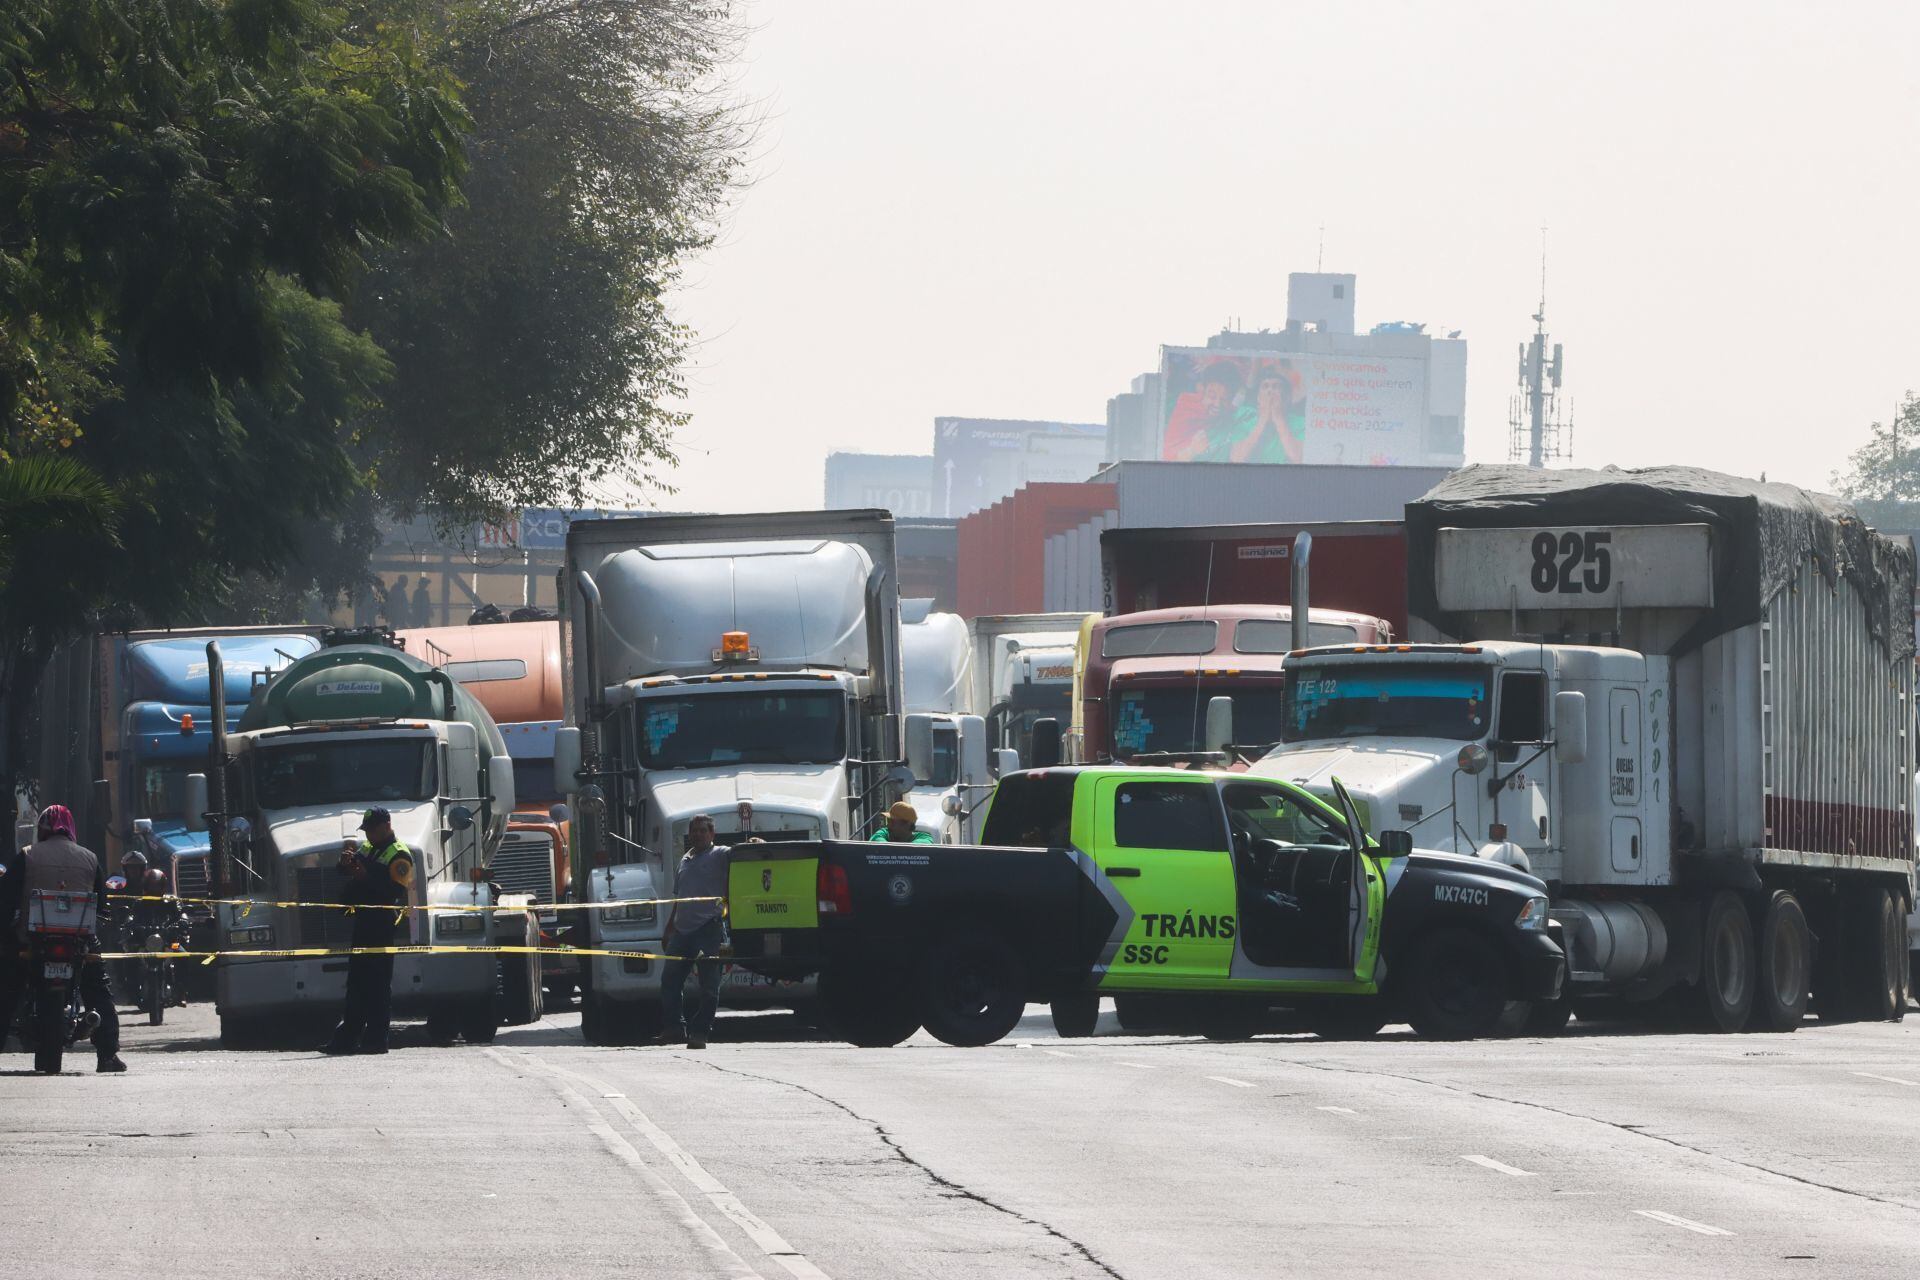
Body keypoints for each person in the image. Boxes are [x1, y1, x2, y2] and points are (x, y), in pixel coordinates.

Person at [13, 805, 124, 1072]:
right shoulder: (89, 858)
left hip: (34, 939)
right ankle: (107, 1055)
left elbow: (7, 897)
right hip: (79, 939)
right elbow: (102, 904)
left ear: (41, 829)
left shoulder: (27, 856)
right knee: (98, 989)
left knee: (8, 984)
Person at [321, 808, 414, 1056]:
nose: (369, 835)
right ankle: (346, 1040)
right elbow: (347, 871)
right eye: (367, 830)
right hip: (363, 923)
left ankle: (376, 1040)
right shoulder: (369, 848)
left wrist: (365, 877)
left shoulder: (400, 855)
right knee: (356, 984)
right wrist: (344, 864)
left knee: (378, 986)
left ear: (386, 826)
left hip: (381, 924)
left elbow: (394, 892)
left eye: (372, 829)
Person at [658, 815, 729, 1049]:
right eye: (694, 831)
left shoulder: (720, 854)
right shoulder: (685, 860)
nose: (697, 834)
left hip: (709, 928)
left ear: (711, 834)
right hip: (682, 931)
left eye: (702, 831)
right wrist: (669, 927)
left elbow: (741, 855)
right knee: (669, 980)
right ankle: (674, 1029)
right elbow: (680, 898)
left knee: (709, 987)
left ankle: (700, 1032)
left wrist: (755, 844)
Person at [1161, 361, 1243, 461]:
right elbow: (1167, 458)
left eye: (1224, 399)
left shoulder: (1231, 411)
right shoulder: (1185, 408)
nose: (1217, 405)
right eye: (1212, 396)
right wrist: (1192, 451)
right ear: (1201, 390)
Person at [869, 800, 934, 844]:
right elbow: (876, 842)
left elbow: (918, 848)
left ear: (907, 824)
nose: (888, 825)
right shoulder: (883, 832)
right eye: (888, 821)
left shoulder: (924, 838)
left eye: (892, 822)